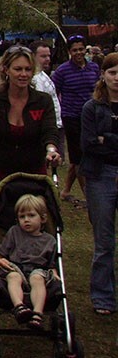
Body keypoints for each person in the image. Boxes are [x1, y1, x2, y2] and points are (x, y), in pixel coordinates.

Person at [0, 46, 62, 184]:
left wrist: (51, 150)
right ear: (6, 69)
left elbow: (49, 131)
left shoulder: (43, 100)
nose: (24, 74)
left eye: (28, 69)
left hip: (34, 172)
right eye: (18, 69)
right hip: (0, 170)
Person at [80, 52, 118, 316]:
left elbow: (102, 141)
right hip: (99, 175)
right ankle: (103, 296)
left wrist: (108, 140)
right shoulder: (92, 108)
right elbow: (89, 144)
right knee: (104, 240)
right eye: (113, 73)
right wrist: (104, 141)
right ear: (103, 75)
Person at [0, 194, 58, 329]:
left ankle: (37, 314)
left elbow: (52, 263)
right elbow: (2, 254)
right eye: (22, 217)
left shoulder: (49, 240)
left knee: (37, 278)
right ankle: (19, 307)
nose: (26, 220)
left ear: (43, 218)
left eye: (31, 216)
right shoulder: (14, 232)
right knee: (13, 276)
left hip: (38, 269)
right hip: (17, 267)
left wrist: (55, 273)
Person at [53, 35, 101, 204]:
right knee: (78, 157)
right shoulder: (62, 71)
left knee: (83, 155)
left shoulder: (94, 68)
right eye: (75, 50)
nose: (78, 53)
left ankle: (66, 191)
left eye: (81, 49)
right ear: (69, 52)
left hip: (92, 118)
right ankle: (89, 197)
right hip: (71, 117)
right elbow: (53, 93)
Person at [31, 40, 64, 157]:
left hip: (57, 123)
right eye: (43, 56)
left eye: (49, 55)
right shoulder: (34, 79)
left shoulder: (43, 74)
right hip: (46, 127)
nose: (47, 59)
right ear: (32, 56)